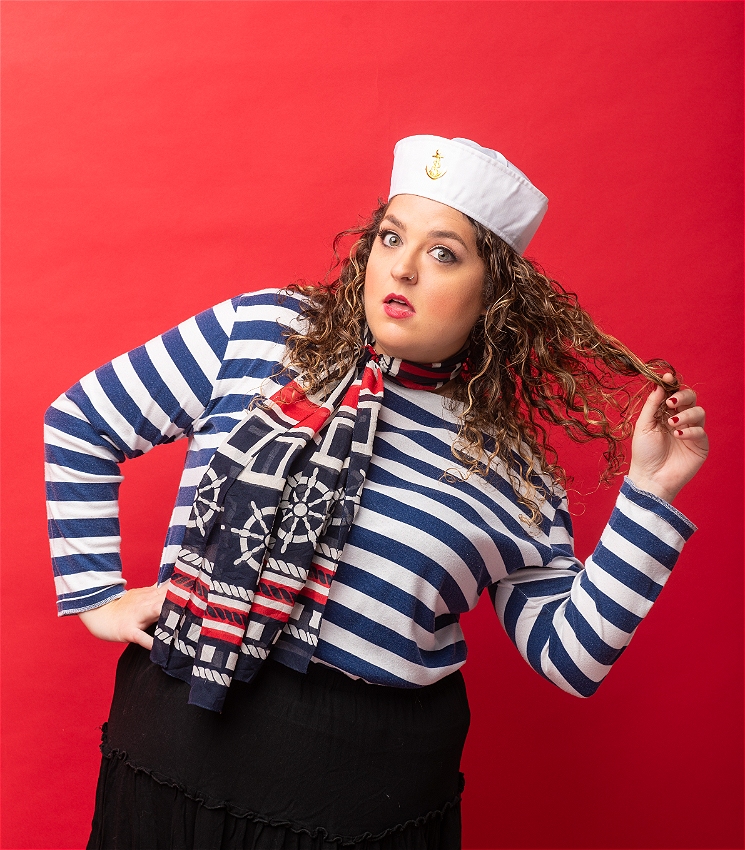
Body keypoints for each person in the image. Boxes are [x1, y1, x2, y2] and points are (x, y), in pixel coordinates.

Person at [45, 135, 708, 849]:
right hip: (173, 760)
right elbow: (81, 421)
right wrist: (94, 595)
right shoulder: (267, 332)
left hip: (362, 807)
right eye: (392, 237)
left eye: (443, 252)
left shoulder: (514, 469)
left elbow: (570, 656)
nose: (403, 266)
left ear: (496, 298)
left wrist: (650, 490)